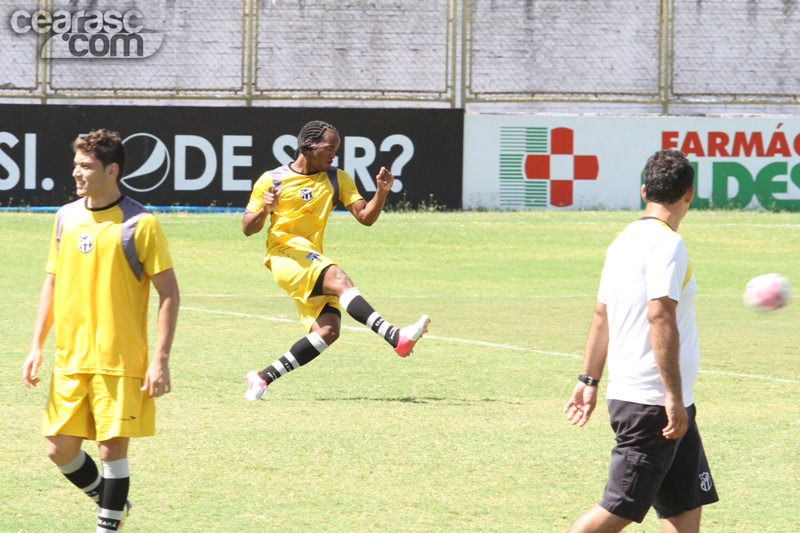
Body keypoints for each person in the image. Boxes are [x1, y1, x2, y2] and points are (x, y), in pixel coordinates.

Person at [22, 129, 180, 533]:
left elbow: (169, 294)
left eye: (86, 166)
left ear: (111, 170)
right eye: (76, 164)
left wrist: (159, 360)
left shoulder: (141, 224)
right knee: (58, 449)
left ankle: (106, 526)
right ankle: (112, 504)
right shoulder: (65, 217)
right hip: (70, 358)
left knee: (111, 449)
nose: (77, 172)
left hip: (119, 358)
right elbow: (53, 282)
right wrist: (36, 344)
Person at [563, 150, 718, 533]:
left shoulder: (622, 241)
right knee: (618, 508)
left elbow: (602, 315)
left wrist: (588, 381)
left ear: (644, 190)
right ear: (689, 193)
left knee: (685, 508)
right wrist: (672, 396)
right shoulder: (668, 245)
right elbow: (660, 316)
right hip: (654, 404)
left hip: (659, 400)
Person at [242, 120, 430, 400]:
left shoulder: (337, 178)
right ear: (309, 146)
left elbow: (365, 217)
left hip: (310, 257)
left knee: (328, 331)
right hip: (284, 255)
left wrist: (381, 192)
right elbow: (248, 228)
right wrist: (265, 209)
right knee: (340, 279)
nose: (334, 154)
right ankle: (395, 337)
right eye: (329, 148)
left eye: (336, 149)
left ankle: (262, 377)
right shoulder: (272, 180)